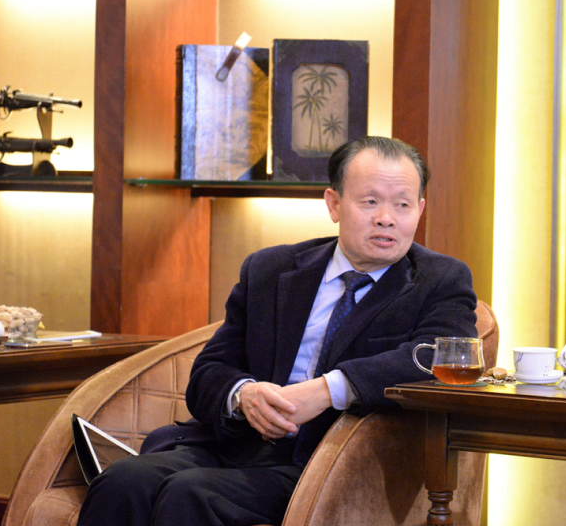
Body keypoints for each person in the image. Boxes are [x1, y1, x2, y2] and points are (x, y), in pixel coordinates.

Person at [77, 136, 478, 526]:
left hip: (327, 463)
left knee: (190, 493)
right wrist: (244, 395)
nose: (386, 218)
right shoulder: (271, 270)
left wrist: (327, 390)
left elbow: (439, 356)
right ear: (334, 204)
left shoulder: (439, 280)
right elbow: (209, 372)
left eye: (402, 204)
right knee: (122, 481)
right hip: (237, 445)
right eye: (370, 201)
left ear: (419, 210)